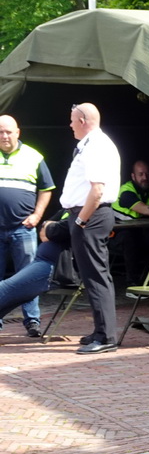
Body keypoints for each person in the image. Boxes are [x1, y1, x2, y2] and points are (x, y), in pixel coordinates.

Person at [41, 102, 122, 354]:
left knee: (96, 277)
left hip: (91, 216)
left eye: (73, 120)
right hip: (85, 216)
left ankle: (106, 337)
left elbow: (96, 191)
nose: (70, 124)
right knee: (92, 277)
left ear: (84, 121)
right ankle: (100, 330)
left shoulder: (96, 146)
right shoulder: (90, 145)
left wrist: (80, 221)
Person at [0, 114, 56, 337]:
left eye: (8, 132)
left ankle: (32, 321)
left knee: (28, 279)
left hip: (23, 228)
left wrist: (37, 215)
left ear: (17, 133)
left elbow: (47, 188)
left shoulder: (33, 156)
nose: (4, 136)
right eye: (0, 132)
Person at [111, 159, 149, 285]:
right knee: (130, 237)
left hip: (141, 232)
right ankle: (132, 283)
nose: (145, 177)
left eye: (147, 174)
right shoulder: (126, 191)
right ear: (133, 176)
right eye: (141, 174)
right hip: (115, 237)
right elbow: (146, 210)